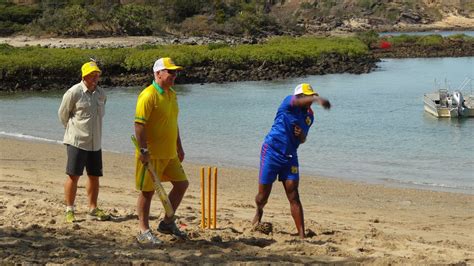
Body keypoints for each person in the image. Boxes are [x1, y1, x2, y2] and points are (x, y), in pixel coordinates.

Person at [252, 83, 331, 239]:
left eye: (312, 96)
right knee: (263, 196)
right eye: (307, 96)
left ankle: (301, 234)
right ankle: (259, 211)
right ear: (299, 96)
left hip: (290, 156)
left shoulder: (309, 116)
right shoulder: (288, 103)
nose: (310, 99)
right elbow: (297, 101)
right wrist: (318, 99)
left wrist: (301, 135)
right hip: (271, 151)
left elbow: (303, 139)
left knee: (293, 194)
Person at [134, 57, 189, 244]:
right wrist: (143, 150)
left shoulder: (172, 94)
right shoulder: (148, 95)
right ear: (158, 73)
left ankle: (167, 222)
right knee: (147, 191)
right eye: (170, 72)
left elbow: (173, 122)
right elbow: (139, 124)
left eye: (175, 72)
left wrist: (179, 146)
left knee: (182, 184)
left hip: (170, 153)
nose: (174, 76)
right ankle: (143, 230)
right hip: (152, 154)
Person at [58, 61, 110, 223]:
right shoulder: (74, 92)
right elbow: (63, 115)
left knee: (94, 176)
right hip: (77, 141)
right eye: (91, 75)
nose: (95, 77)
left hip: (96, 143)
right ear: (84, 76)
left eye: (97, 75)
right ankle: (69, 209)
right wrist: (73, 130)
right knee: (73, 176)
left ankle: (93, 208)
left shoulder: (101, 94)